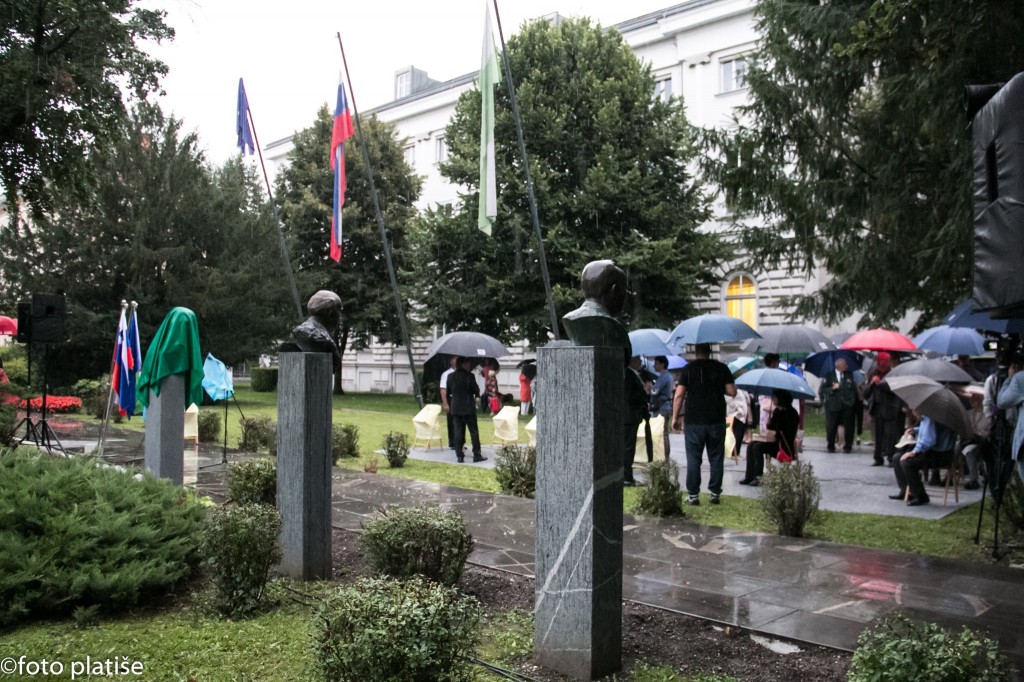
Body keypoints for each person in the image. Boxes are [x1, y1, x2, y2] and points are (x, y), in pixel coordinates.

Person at [671, 343, 737, 506]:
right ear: (710, 352)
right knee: (716, 458)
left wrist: (675, 418)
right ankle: (715, 493)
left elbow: (679, 396)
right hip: (716, 419)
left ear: (696, 352)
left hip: (694, 421)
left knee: (694, 458)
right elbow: (732, 392)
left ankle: (693, 495)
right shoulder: (722, 368)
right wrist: (717, 386)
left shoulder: (688, 369)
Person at [891, 413, 956, 506]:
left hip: (941, 455)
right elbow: (927, 430)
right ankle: (905, 490)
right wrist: (915, 430)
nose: (914, 412)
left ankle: (921, 496)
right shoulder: (929, 417)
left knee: (907, 462)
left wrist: (914, 452)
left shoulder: (929, 417)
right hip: (934, 451)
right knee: (897, 458)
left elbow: (929, 440)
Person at [864, 352, 905, 466]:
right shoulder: (873, 374)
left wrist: (880, 383)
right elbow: (866, 393)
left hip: (889, 408)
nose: (883, 365)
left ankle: (891, 457)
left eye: (886, 362)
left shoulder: (893, 374)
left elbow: (894, 389)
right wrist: (872, 383)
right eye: (881, 363)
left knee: (891, 434)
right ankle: (878, 457)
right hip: (876, 408)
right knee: (878, 435)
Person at [447, 356, 486, 463]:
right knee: (473, 432)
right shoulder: (469, 376)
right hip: (468, 408)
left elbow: (449, 391)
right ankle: (476, 454)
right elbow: (476, 390)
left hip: (456, 408)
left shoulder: (450, 376)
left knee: (458, 432)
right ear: (463, 364)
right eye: (468, 363)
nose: (469, 365)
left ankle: (459, 456)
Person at [820, 356, 858, 453]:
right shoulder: (829, 375)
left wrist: (852, 401)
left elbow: (853, 389)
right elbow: (823, 390)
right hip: (833, 405)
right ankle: (831, 445)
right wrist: (832, 388)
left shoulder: (849, 375)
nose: (846, 366)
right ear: (839, 366)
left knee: (849, 426)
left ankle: (848, 446)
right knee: (831, 426)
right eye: (845, 365)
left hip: (847, 405)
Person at [623, 356, 649, 485]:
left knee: (629, 447)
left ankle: (627, 475)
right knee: (628, 448)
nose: (640, 362)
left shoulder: (632, 374)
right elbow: (630, 396)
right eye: (638, 359)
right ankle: (626, 477)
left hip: (630, 417)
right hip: (629, 417)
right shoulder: (629, 375)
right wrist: (644, 392)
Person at [649, 356, 675, 458]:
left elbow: (654, 391)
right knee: (664, 434)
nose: (654, 366)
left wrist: (650, 387)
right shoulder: (667, 376)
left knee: (662, 434)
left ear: (662, 364)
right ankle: (664, 456)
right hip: (664, 407)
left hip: (662, 408)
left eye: (656, 363)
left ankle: (664, 457)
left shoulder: (664, 376)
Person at [766, 389, 799, 461]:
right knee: (752, 445)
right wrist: (769, 424)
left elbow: (788, 432)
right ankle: (753, 468)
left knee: (757, 448)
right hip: (774, 441)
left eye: (774, 397)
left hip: (784, 445)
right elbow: (772, 428)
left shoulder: (792, 413)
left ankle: (758, 468)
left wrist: (776, 433)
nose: (772, 399)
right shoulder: (776, 411)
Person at [439, 356, 459, 451]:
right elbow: (443, 389)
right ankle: (453, 442)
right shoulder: (446, 374)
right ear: (451, 362)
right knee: (452, 422)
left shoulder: (461, 373)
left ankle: (459, 442)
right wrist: (445, 403)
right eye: (455, 359)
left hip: (459, 400)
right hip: (451, 399)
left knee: (459, 422)